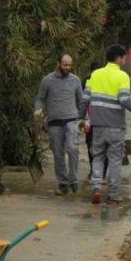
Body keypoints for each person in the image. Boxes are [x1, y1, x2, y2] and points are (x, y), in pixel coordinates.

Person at [83, 45, 131, 204]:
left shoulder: (95, 74)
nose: (125, 60)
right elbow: (124, 100)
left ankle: (96, 187)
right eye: (124, 58)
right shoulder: (122, 76)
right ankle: (112, 195)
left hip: (97, 126)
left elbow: (85, 99)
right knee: (115, 160)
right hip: (115, 127)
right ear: (118, 58)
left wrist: (81, 118)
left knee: (97, 157)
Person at [34, 54, 85, 195]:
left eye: (69, 65)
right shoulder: (47, 80)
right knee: (58, 154)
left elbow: (81, 102)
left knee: (73, 148)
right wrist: (38, 109)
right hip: (54, 122)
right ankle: (63, 183)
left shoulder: (75, 80)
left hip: (71, 121)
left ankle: (73, 179)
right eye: (65, 65)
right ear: (58, 63)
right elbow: (40, 98)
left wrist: (82, 120)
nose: (68, 67)